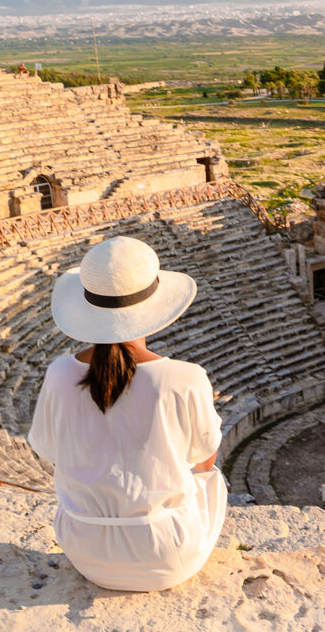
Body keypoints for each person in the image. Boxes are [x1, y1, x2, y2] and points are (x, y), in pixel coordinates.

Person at [28, 236, 226, 592]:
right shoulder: (185, 377)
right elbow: (205, 462)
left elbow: (49, 453)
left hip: (85, 550)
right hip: (168, 554)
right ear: (155, 305)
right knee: (212, 482)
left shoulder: (58, 374)